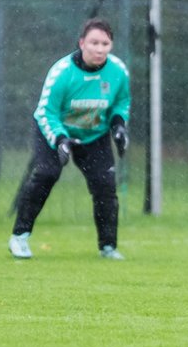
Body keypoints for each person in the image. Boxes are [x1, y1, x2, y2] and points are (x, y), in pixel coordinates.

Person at [9, 17, 131, 260]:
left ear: (111, 45)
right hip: (55, 132)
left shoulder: (118, 71)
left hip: (94, 134)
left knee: (105, 186)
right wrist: (60, 139)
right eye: (94, 42)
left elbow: (121, 102)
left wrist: (118, 125)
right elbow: (46, 112)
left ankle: (108, 246)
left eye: (105, 43)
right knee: (46, 173)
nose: (99, 49)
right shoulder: (62, 73)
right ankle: (19, 236)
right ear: (82, 43)